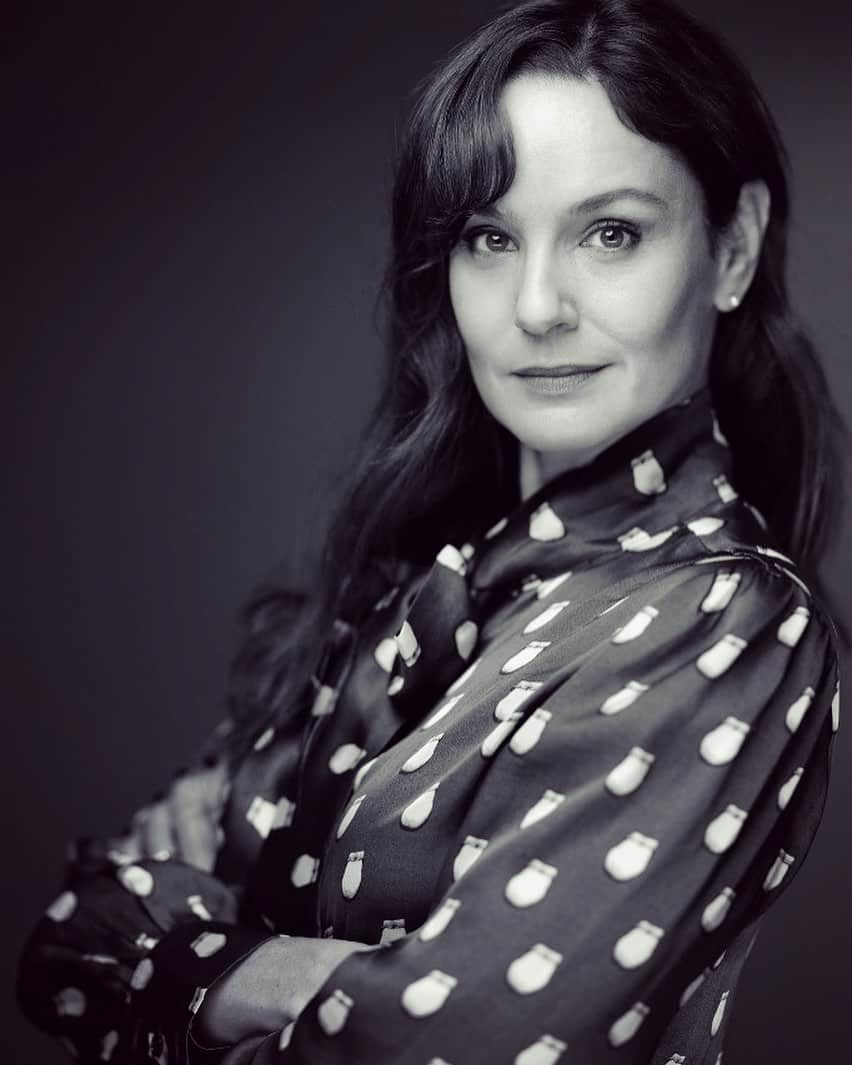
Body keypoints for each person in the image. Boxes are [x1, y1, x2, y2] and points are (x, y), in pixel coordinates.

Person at [18, 0, 846, 1062]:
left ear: (732, 250)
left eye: (611, 233)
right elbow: (67, 944)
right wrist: (299, 978)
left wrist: (193, 960)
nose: (537, 305)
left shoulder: (725, 617)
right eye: (489, 238)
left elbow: (462, 1041)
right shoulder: (421, 590)